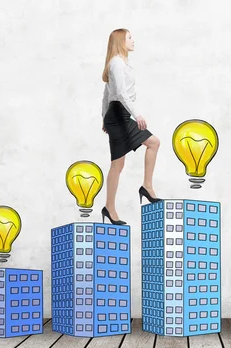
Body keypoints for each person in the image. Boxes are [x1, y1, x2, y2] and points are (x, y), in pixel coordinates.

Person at [100, 28, 162, 225]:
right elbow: (119, 94)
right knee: (150, 144)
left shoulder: (121, 63)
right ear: (120, 41)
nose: (133, 40)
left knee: (120, 164)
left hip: (118, 113)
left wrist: (104, 118)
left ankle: (145, 188)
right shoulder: (117, 63)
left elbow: (106, 94)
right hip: (120, 114)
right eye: (129, 37)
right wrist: (137, 114)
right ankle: (112, 206)